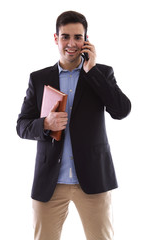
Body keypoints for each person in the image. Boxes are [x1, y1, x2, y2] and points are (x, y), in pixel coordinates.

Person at [16, 10, 131, 240]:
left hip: (93, 179)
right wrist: (45, 124)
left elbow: (121, 111)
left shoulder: (101, 73)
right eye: (65, 36)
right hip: (50, 181)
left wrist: (93, 71)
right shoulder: (39, 78)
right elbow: (22, 126)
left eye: (78, 37)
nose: (71, 43)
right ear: (56, 39)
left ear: (86, 40)